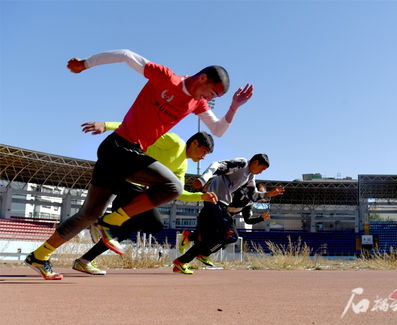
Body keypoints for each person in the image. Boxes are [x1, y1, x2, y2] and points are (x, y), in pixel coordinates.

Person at [25, 49, 253, 280]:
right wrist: (85, 64)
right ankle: (113, 220)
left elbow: (218, 130)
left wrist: (234, 107)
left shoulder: (197, 104)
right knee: (172, 186)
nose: (210, 98)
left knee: (88, 215)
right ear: (203, 78)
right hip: (118, 147)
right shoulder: (165, 77)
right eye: (213, 92)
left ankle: (40, 255)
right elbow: (126, 56)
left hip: (124, 155)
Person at [72, 124, 217, 275]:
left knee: (127, 229)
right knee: (154, 223)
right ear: (195, 143)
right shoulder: (175, 143)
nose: (203, 157)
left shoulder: (182, 166)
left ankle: (84, 260)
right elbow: (138, 129)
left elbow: (178, 192)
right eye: (204, 151)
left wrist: (201, 196)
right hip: (127, 179)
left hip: (138, 189)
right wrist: (106, 126)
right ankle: (102, 222)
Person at [172, 154, 285, 274]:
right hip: (215, 202)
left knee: (208, 239)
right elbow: (217, 165)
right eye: (262, 169)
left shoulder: (250, 177)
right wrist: (203, 179)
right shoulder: (242, 164)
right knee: (231, 236)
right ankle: (201, 252)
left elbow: (253, 196)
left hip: (221, 206)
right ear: (256, 162)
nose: (262, 172)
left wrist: (268, 194)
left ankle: (184, 258)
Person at [178, 183, 281, 268]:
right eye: (262, 194)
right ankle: (190, 254)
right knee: (227, 237)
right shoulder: (238, 193)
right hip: (208, 217)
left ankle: (190, 241)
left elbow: (248, 220)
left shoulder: (248, 204)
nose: (263, 197)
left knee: (223, 240)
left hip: (220, 221)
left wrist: (261, 218)